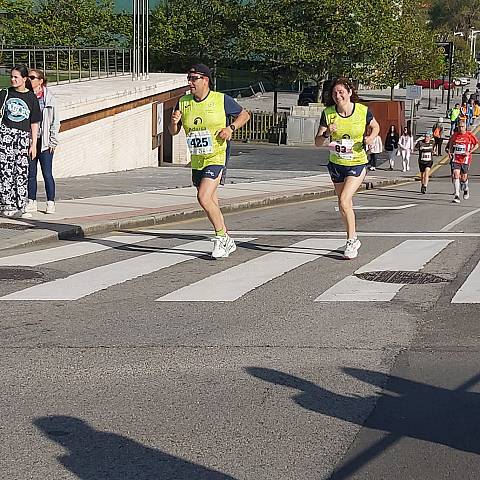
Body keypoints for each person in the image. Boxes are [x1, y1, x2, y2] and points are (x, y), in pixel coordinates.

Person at [168, 64, 250, 259]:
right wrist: (173, 122)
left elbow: (245, 114)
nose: (190, 83)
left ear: (205, 80)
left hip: (217, 155)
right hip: (197, 158)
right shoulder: (184, 102)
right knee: (211, 201)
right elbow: (173, 132)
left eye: (194, 78)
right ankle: (227, 238)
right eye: (189, 78)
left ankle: (221, 237)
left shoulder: (221, 100)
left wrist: (231, 128)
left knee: (203, 198)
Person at [315, 77, 380, 260]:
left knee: (344, 200)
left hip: (357, 162)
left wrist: (370, 138)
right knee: (344, 205)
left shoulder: (362, 111)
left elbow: (376, 127)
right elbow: (318, 142)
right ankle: (352, 237)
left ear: (350, 92)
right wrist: (327, 132)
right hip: (337, 164)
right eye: (335, 93)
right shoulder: (328, 113)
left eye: (341, 92)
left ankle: (351, 240)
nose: (338, 96)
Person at [0, 65, 41, 218]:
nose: (13, 79)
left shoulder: (31, 97)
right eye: (12, 76)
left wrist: (33, 144)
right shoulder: (5, 94)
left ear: (24, 79)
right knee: (6, 171)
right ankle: (7, 204)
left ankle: (21, 205)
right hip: (6, 135)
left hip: (23, 137)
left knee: (22, 171)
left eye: (16, 77)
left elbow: (34, 122)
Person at [25, 68, 60, 214]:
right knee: (31, 173)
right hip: (31, 140)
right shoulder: (26, 96)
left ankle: (50, 202)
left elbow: (55, 121)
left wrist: (53, 141)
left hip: (44, 141)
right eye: (28, 77)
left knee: (47, 173)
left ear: (40, 80)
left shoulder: (50, 99)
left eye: (32, 77)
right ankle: (31, 201)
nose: (29, 80)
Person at [446, 120, 479, 203]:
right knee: (456, 175)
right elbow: (450, 143)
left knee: (463, 178)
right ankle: (457, 195)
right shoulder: (455, 135)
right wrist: (450, 152)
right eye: (459, 127)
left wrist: (469, 152)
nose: (461, 128)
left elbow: (477, 144)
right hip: (456, 158)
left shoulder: (469, 135)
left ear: (465, 127)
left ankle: (466, 188)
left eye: (462, 127)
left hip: (465, 159)